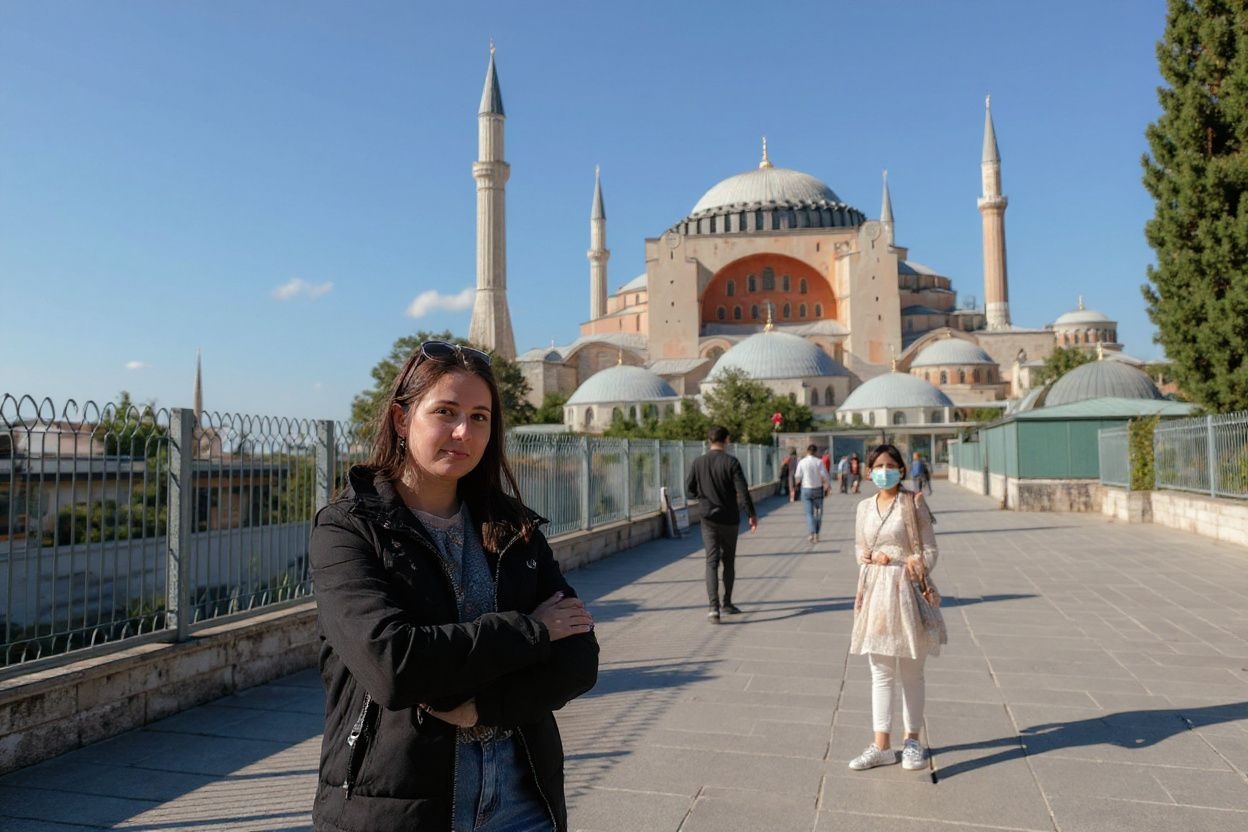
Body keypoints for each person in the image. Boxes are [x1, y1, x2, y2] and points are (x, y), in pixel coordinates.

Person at [309, 340, 599, 832]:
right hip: (401, 809)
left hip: (522, 805)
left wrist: (482, 708)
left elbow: (579, 659)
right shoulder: (349, 529)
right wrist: (532, 631)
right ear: (402, 419)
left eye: (480, 416)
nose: (463, 432)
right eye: (445, 411)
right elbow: (393, 666)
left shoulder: (513, 528)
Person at [848, 443, 946, 773]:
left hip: (906, 593)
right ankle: (881, 746)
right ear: (869, 471)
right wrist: (868, 559)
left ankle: (913, 741)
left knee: (912, 672)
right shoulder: (863, 507)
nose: (883, 470)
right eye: (877, 466)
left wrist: (911, 564)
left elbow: (930, 549)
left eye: (890, 465)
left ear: (902, 469)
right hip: (875, 594)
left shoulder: (913, 502)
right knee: (880, 672)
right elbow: (860, 549)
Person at [686, 425, 758, 623]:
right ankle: (727, 602)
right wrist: (751, 514)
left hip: (708, 518)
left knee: (711, 561)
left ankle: (713, 608)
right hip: (729, 518)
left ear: (710, 440)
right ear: (726, 439)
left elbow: (689, 490)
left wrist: (704, 496)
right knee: (729, 560)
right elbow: (742, 490)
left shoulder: (699, 462)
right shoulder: (731, 462)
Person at [793, 444, 833, 543]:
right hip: (818, 490)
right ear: (815, 452)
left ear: (807, 451)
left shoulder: (802, 462)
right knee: (819, 513)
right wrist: (828, 486)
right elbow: (824, 475)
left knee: (809, 513)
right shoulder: (819, 462)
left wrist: (795, 486)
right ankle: (817, 533)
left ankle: (812, 532)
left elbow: (797, 476)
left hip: (806, 489)